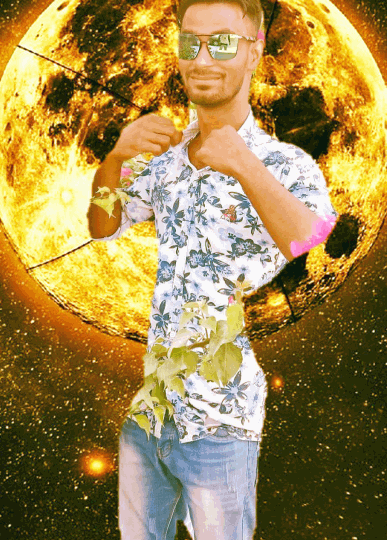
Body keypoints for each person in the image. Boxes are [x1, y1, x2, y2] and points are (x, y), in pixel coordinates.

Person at [87, 1, 338, 538]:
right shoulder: (165, 161)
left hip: (221, 416)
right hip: (152, 412)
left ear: (255, 50)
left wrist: (242, 162)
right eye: (190, 43)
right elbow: (103, 224)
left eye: (222, 43)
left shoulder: (286, 163)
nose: (202, 59)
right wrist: (115, 158)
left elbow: (309, 236)